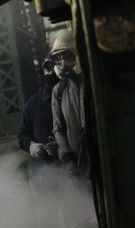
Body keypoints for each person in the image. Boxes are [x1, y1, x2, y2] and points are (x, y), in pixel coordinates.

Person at [50, 30, 87, 176]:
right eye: (57, 58)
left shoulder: (94, 83)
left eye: (66, 56)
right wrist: (66, 154)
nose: (61, 63)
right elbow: (58, 128)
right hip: (79, 162)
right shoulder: (58, 91)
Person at [18, 55, 60, 176]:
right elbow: (22, 135)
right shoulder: (33, 104)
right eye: (47, 68)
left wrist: (63, 145)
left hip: (71, 168)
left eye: (54, 67)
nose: (50, 73)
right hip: (42, 172)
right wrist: (31, 146)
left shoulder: (71, 99)